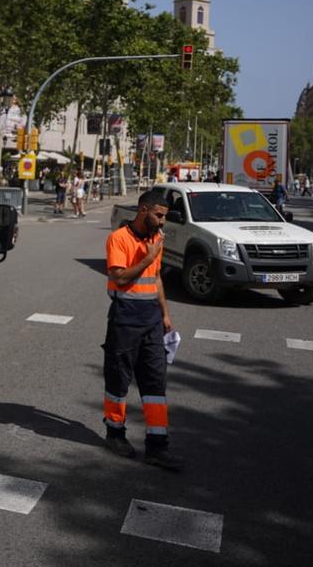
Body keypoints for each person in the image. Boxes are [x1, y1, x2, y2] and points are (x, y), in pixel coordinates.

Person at [102, 188, 182, 471]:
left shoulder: (156, 239)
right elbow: (119, 277)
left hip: (151, 322)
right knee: (119, 381)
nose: (162, 222)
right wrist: (147, 259)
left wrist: (166, 314)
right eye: (159, 215)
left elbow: (157, 278)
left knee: (155, 384)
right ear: (143, 210)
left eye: (165, 217)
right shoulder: (119, 239)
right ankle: (115, 434)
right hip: (124, 320)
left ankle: (157, 447)